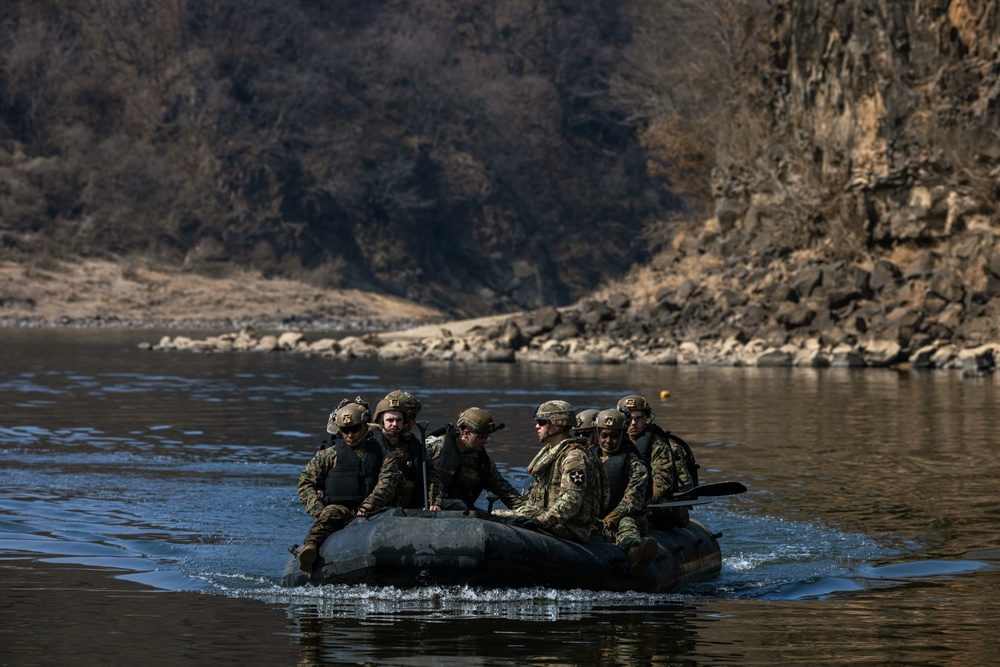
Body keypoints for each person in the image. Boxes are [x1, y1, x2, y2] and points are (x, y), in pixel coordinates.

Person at [296, 397, 402, 574]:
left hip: (375, 513)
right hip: (341, 510)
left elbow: (388, 480)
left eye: (354, 429)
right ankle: (311, 547)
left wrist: (371, 503)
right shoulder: (328, 455)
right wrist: (317, 510)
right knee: (331, 513)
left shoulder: (383, 455)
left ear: (365, 427)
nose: (350, 435)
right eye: (345, 431)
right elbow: (306, 482)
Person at [494, 400, 608, 542]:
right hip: (550, 517)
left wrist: (542, 521)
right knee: (494, 515)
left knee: (500, 516)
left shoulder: (574, 457)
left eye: (541, 422)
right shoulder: (552, 452)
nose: (537, 426)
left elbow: (571, 501)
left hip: (570, 526)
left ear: (557, 424)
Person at [592, 408, 659, 576]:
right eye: (604, 435)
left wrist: (616, 514)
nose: (608, 441)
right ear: (598, 434)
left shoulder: (633, 463)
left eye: (614, 436)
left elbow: (634, 496)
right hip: (596, 515)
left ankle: (635, 552)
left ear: (622, 436)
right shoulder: (588, 458)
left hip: (628, 515)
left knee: (626, 523)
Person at [617, 394, 699, 530]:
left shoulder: (658, 445)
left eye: (638, 418)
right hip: (629, 499)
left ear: (645, 419)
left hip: (659, 504)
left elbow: (662, 482)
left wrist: (639, 502)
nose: (633, 423)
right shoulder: (615, 441)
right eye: (629, 419)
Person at [425, 407, 524, 511]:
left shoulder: (484, 463)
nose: (485, 441)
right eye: (480, 437)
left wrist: (531, 512)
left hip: (460, 512)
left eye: (488, 437)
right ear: (465, 433)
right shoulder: (436, 446)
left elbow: (507, 493)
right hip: (428, 506)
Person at [370, 392, 442, 510]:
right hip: (379, 506)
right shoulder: (371, 445)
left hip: (411, 505)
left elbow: (432, 475)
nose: (394, 424)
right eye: (390, 420)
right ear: (380, 421)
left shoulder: (413, 445)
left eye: (398, 420)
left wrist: (434, 503)